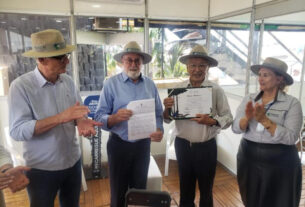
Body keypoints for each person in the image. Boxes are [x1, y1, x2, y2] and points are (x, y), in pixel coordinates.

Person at [9, 29, 102, 207]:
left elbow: (78, 112)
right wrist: (60, 117)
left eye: (65, 55)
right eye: (60, 57)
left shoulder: (67, 81)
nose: (67, 60)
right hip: (41, 169)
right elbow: (17, 130)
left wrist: (81, 121)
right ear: (41, 59)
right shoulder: (20, 87)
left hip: (72, 163)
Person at [94, 41, 164, 207]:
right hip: (119, 145)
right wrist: (115, 118)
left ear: (142, 62)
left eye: (137, 60)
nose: (133, 64)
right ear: (122, 62)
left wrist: (159, 129)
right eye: (129, 60)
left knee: (139, 192)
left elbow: (158, 113)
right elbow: (99, 117)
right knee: (118, 192)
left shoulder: (150, 84)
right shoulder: (110, 84)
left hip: (143, 146)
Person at [163, 44, 233, 207]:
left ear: (208, 67)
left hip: (206, 147)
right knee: (185, 188)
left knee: (206, 190)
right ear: (187, 67)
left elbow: (228, 118)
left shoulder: (216, 90)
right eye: (193, 65)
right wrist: (166, 108)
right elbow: (167, 119)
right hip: (183, 145)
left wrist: (212, 121)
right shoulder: (178, 90)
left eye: (202, 65)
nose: (197, 69)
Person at [232, 57, 303, 207]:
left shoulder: (292, 103)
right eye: (260, 75)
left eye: (266, 75)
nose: (261, 79)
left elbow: (291, 138)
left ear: (279, 79)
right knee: (251, 200)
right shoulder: (249, 99)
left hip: (281, 162)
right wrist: (247, 117)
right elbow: (235, 128)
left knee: (279, 201)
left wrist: (264, 120)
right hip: (248, 158)